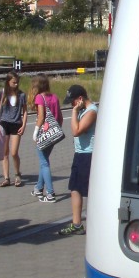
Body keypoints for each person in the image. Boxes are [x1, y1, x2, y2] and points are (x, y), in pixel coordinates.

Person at [58, 84, 97, 237]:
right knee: (75, 188)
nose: (72, 105)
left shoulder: (91, 111)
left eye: (72, 102)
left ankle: (96, 224)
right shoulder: (83, 111)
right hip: (80, 154)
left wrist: (74, 112)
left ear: (80, 99)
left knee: (89, 191)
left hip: (89, 155)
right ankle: (76, 224)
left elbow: (76, 131)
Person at [30, 75, 63, 203]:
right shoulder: (54, 97)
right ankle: (38, 188)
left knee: (44, 163)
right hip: (53, 133)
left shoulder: (40, 97)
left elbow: (41, 117)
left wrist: (35, 132)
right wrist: (56, 130)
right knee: (44, 161)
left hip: (43, 134)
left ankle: (50, 193)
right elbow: (59, 117)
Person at [0, 73, 28, 187]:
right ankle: (6, 178)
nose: (16, 84)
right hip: (4, 123)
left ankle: (17, 174)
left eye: (17, 82)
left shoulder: (21, 95)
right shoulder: (3, 93)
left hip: (16, 124)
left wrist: (24, 125)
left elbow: (25, 111)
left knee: (14, 152)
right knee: (5, 153)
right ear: (8, 82)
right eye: (14, 82)